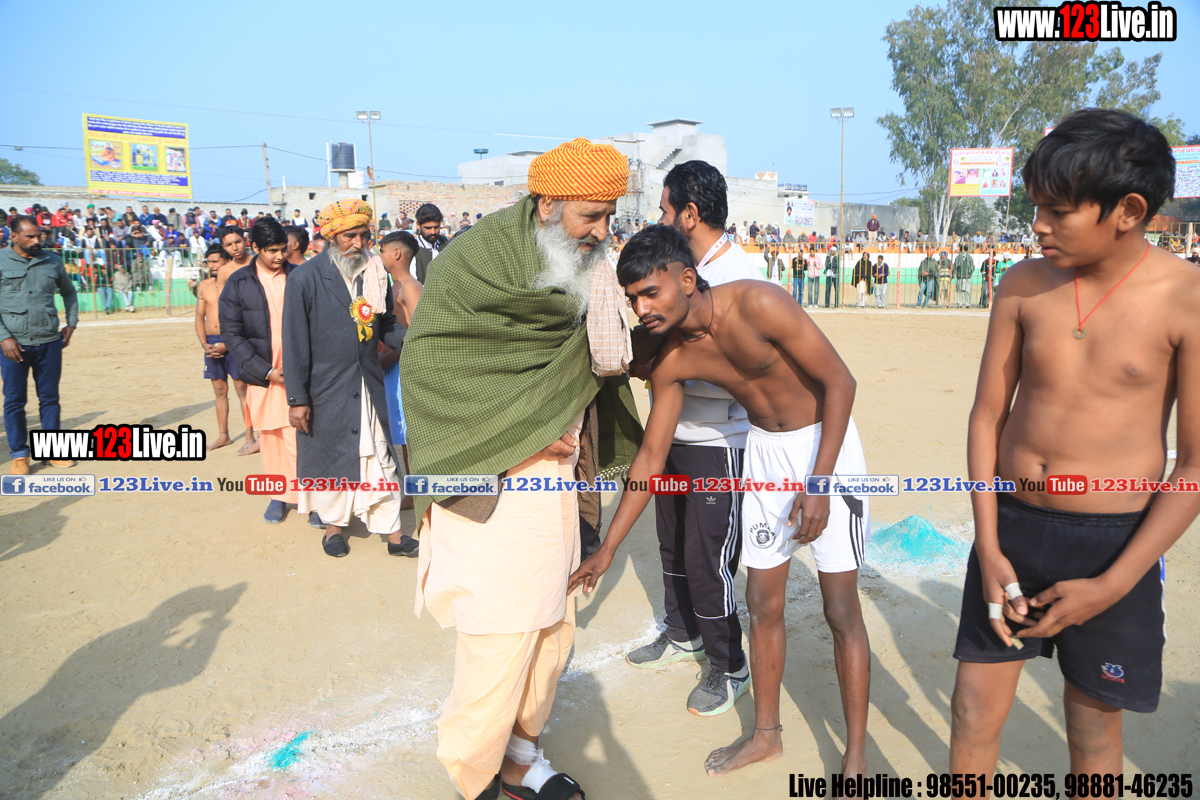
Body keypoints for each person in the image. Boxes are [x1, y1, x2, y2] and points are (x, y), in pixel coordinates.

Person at [950, 109, 1200, 778]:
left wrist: (1113, 583)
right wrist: (989, 545)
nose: (1038, 226)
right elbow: (986, 417)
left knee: (1092, 735)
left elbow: (1194, 466)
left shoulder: (1186, 298)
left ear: (1129, 211)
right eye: (1036, 208)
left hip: (1113, 544)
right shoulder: (1022, 285)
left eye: (1058, 211)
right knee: (972, 713)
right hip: (1011, 531)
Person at [572, 224, 871, 777]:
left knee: (840, 610)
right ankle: (766, 736)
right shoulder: (674, 360)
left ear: (687, 279)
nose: (642, 308)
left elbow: (841, 382)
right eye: (633, 299)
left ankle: (855, 755)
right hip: (764, 454)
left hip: (824, 448)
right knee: (762, 603)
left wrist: (819, 484)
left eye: (650, 293)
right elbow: (651, 458)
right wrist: (608, 547)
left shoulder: (759, 303)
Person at [402, 138, 641, 800]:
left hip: (556, 481)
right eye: (591, 216)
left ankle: (520, 758)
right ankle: (472, 775)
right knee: (499, 631)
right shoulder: (477, 261)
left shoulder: (588, 267)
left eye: (609, 216)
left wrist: (563, 422)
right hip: (489, 480)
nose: (602, 231)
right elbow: (432, 367)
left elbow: (586, 363)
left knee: (552, 625)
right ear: (547, 205)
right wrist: (528, 429)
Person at [625, 160, 769, 716]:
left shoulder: (743, 277)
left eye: (665, 210)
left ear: (689, 213)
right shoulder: (676, 267)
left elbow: (748, 368)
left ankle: (729, 665)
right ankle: (682, 632)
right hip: (674, 431)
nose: (661, 219)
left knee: (708, 556)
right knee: (673, 543)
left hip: (720, 438)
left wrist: (666, 361)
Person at [283, 200, 416, 558]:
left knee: (379, 457)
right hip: (325, 389)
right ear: (331, 237)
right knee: (334, 459)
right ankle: (333, 531)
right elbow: (294, 342)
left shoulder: (374, 271)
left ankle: (394, 535)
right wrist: (298, 399)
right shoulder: (304, 278)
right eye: (349, 236)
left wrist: (413, 341)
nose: (358, 243)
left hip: (368, 383)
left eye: (363, 235)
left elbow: (386, 323)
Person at [219, 217, 300, 523]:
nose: (279, 256)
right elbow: (232, 334)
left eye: (282, 249)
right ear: (255, 248)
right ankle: (278, 496)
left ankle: (311, 498)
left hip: (299, 374)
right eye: (271, 251)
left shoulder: (300, 276)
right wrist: (265, 371)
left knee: (302, 437)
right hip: (263, 377)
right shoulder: (239, 282)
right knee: (271, 437)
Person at [1, 216, 79, 475]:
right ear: (14, 237)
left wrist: (71, 323)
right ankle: (20, 455)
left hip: (49, 343)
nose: (37, 240)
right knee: (15, 400)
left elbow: (69, 292)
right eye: (30, 236)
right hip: (13, 345)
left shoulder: (52, 261)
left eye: (39, 235)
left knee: (50, 398)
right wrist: (4, 338)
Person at [376, 231, 423, 510]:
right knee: (401, 434)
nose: (379, 255)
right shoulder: (390, 287)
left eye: (382, 250)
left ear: (396, 253)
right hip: (391, 367)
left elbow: (418, 336)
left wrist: (388, 356)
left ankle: (418, 491)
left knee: (410, 432)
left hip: (404, 368)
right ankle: (412, 488)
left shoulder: (410, 287)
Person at [194, 244, 254, 452]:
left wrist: (228, 343)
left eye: (215, 261)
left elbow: (245, 318)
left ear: (226, 262)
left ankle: (250, 436)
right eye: (209, 262)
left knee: (242, 390)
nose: (211, 265)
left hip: (233, 340)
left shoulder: (237, 285)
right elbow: (199, 317)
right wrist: (204, 344)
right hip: (211, 343)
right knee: (219, 391)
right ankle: (223, 436)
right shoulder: (204, 286)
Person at [412, 203, 447, 282]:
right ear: (418, 225)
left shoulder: (446, 244)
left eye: (436, 227)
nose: (433, 232)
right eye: (428, 228)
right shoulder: (412, 248)